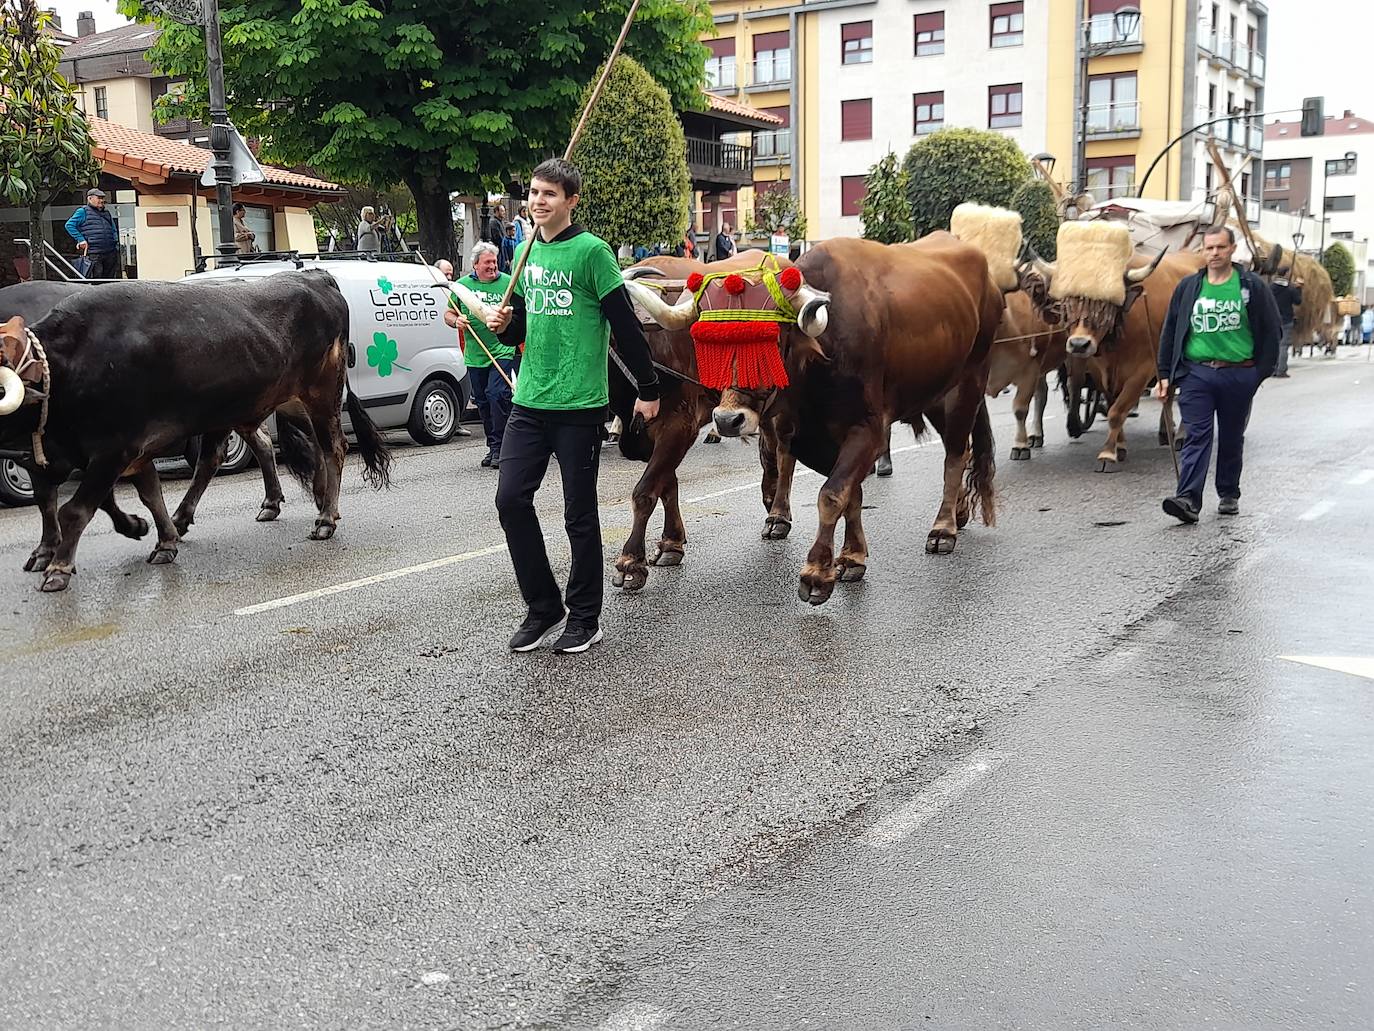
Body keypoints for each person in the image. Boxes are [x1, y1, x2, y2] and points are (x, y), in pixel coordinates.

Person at [484, 158, 660, 654]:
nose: (538, 201)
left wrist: (647, 390)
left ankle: (585, 617)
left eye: (550, 195)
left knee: (577, 516)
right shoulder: (524, 249)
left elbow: (624, 325)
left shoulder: (592, 253)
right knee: (511, 500)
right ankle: (543, 608)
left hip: (580, 405)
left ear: (571, 201)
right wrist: (505, 325)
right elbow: (523, 327)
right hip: (530, 398)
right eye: (534, 193)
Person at [1155, 225, 1281, 523]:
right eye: (1209, 248)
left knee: (1231, 436)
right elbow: (1170, 331)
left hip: (1239, 374)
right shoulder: (1188, 288)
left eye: (1220, 247)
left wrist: (1257, 375)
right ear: (1203, 251)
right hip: (1197, 373)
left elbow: (1272, 331)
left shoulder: (1251, 287)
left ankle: (1228, 493)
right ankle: (1188, 498)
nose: (1214, 253)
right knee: (1196, 434)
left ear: (1232, 249)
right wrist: (1165, 375)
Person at [445, 242, 515, 468]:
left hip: (502, 350)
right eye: (488, 262)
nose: (493, 266)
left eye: (494, 262)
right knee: (483, 402)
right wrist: (457, 321)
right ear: (475, 265)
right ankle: (493, 446)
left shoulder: (508, 283)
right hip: (475, 355)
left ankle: (503, 448)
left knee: (497, 395)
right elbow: (447, 314)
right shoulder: (462, 286)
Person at [64, 188, 120, 279]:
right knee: (96, 280)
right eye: (98, 198)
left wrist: (115, 242)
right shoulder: (83, 211)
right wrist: (81, 239)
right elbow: (69, 225)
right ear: (90, 199)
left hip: (110, 252)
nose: (101, 200)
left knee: (110, 280)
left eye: (102, 198)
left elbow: (113, 228)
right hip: (94, 253)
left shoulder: (106, 213)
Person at [1268, 271, 1302, 378]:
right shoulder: (1290, 288)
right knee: (1283, 345)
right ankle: (1281, 369)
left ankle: (1273, 369)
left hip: (1273, 319)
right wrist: (1299, 289)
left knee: (1274, 344)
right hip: (1286, 319)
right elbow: (1298, 301)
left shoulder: (1270, 287)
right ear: (1286, 274)